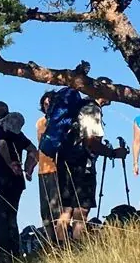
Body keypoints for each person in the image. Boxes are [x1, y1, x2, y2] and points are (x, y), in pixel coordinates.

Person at [53, 85, 128, 244]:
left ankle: (60, 250)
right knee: (81, 210)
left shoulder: (76, 108)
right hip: (81, 165)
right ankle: (78, 248)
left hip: (63, 162)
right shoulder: (92, 109)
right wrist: (113, 153)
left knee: (66, 210)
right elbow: (91, 142)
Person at [0, 102, 37, 263]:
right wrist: (28, 169)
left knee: (0, 218)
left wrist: (9, 163)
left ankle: (4, 256)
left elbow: (1, 144)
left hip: (0, 180)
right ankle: (14, 253)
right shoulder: (17, 133)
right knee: (11, 217)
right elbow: (33, 150)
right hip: (16, 182)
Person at [34, 91, 62, 236]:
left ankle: (63, 241)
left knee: (57, 208)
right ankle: (51, 243)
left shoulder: (62, 121)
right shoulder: (40, 123)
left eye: (50, 103)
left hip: (57, 168)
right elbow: (40, 146)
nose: (48, 107)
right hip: (43, 169)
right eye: (45, 104)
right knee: (45, 210)